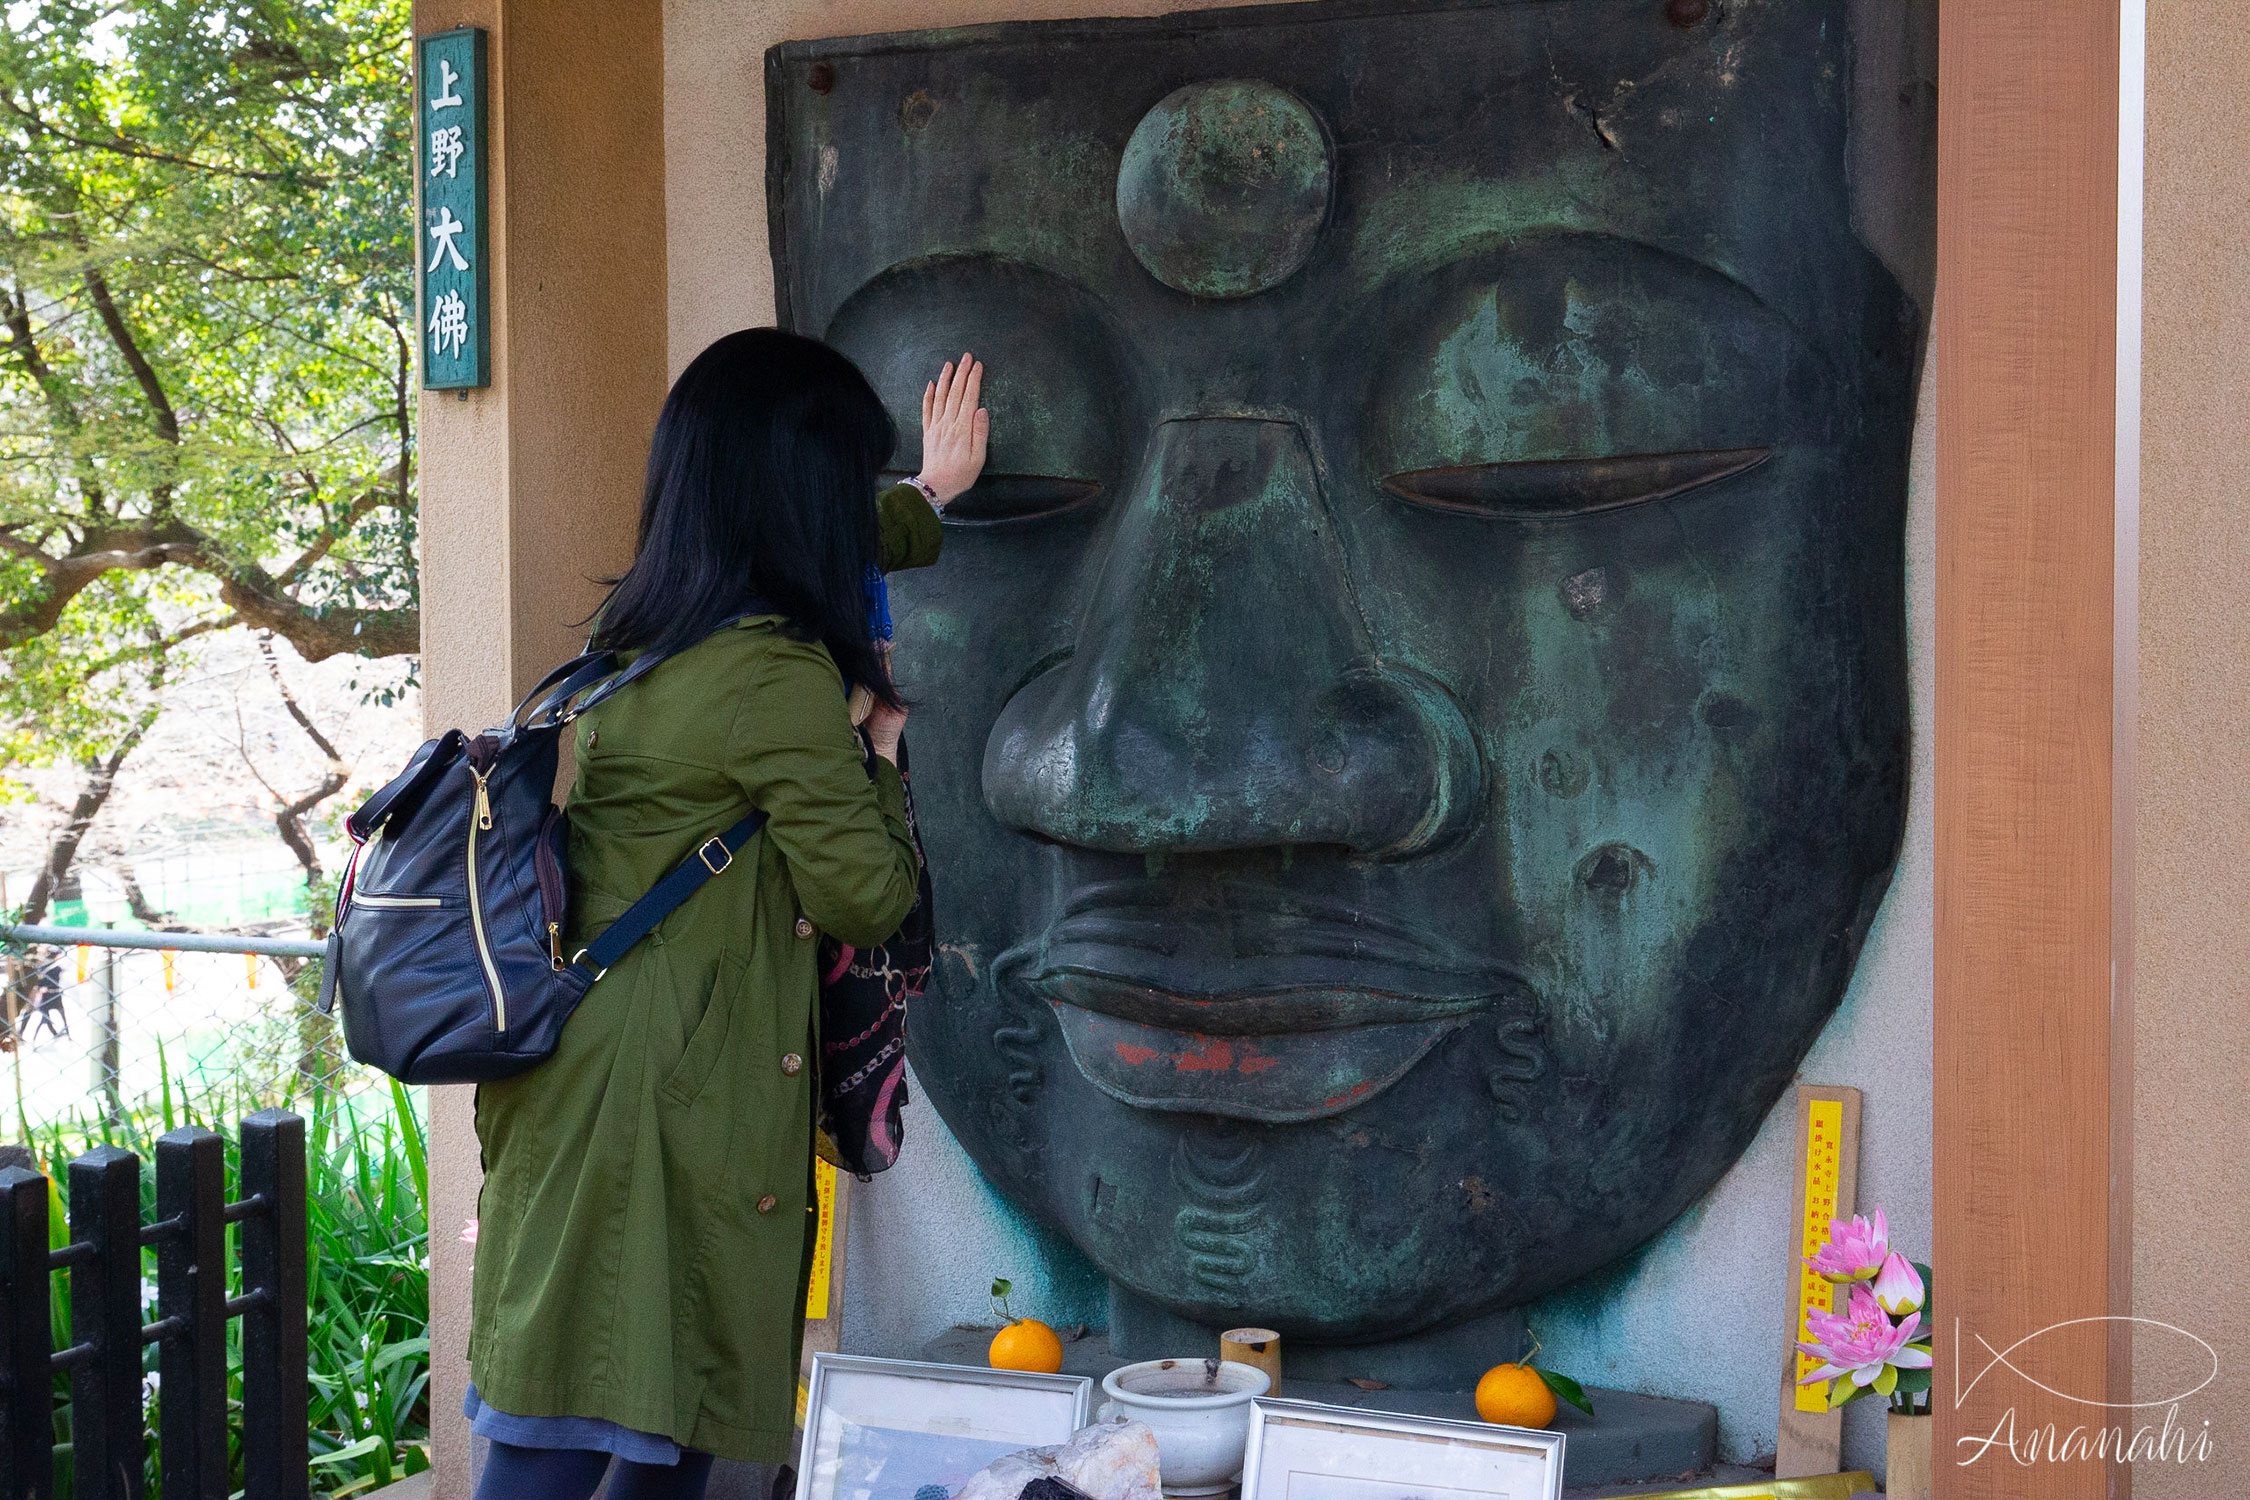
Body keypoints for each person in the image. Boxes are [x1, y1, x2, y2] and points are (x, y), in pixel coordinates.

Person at [466, 330, 988, 1500]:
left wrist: (927, 499)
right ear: (799, 494)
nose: (859, 508)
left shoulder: (639, 637)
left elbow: (823, 550)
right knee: (617, 1434)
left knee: (592, 1416)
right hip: (671, 1104)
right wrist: (880, 750)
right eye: (846, 483)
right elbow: (867, 891)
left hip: (588, 1077)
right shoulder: (770, 676)